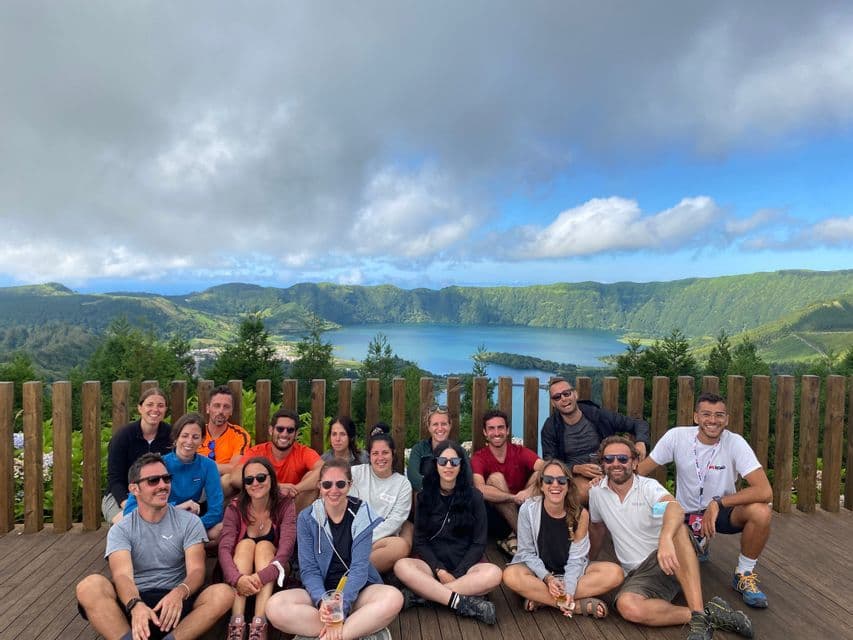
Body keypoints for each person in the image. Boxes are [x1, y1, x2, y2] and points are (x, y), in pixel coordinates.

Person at [588, 436, 753, 640]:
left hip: (672, 559)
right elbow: (597, 529)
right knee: (628, 606)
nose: (616, 464)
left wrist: (665, 539)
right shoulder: (596, 493)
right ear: (602, 463)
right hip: (640, 573)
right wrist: (588, 563)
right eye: (609, 459)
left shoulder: (647, 487)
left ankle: (698, 613)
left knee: (678, 530)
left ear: (635, 462)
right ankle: (707, 615)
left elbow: (674, 508)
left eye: (622, 458)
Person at [76, 453, 234, 640]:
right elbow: (122, 576)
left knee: (223, 593)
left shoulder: (190, 522)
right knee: (89, 586)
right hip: (134, 601)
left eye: (166, 479)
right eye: (153, 481)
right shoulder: (121, 529)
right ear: (134, 489)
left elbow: (197, 571)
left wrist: (179, 592)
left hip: (176, 602)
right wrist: (135, 604)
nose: (162, 485)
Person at [637, 392, 773, 608]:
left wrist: (718, 503)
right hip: (684, 514)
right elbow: (641, 471)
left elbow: (765, 491)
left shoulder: (735, 442)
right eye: (706, 414)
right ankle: (698, 541)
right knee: (670, 570)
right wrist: (608, 478)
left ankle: (744, 574)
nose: (713, 420)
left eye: (719, 415)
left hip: (720, 513)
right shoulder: (677, 437)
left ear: (726, 419)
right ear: (696, 417)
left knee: (761, 511)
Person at [266, 459, 403, 640]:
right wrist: (323, 603)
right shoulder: (307, 518)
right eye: (327, 484)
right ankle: (354, 628)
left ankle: (331, 634)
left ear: (349, 485)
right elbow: (309, 570)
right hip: (322, 593)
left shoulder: (362, 513)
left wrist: (340, 609)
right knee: (274, 607)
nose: (333, 490)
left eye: (340, 484)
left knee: (393, 598)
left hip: (358, 592)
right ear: (319, 486)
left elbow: (359, 569)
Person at [394, 440, 502, 625]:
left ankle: (426, 596)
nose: (448, 466)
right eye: (443, 461)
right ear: (435, 464)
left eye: (454, 461)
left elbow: (479, 542)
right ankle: (461, 601)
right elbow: (420, 540)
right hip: (432, 564)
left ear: (461, 465)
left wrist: (459, 572)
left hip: (466, 564)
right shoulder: (424, 496)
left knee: (494, 574)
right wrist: (439, 570)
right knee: (401, 566)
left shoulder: (475, 497)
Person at [503, 459, 623, 617]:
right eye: (548, 480)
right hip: (538, 574)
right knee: (511, 575)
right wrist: (548, 578)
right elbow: (526, 552)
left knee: (615, 573)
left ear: (568, 485)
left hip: (573, 574)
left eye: (561, 480)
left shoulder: (581, 514)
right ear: (541, 485)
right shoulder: (528, 509)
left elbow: (576, 559)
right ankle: (574, 606)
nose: (555, 485)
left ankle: (543, 599)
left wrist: (570, 588)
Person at [219, 456, 297, 640]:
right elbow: (224, 549)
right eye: (249, 480)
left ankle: (259, 625)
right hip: (240, 575)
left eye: (261, 477)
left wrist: (260, 577)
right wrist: (237, 579)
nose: (255, 483)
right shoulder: (235, 507)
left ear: (271, 478)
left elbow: (285, 550)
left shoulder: (285, 504)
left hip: (275, 571)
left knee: (263, 546)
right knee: (245, 544)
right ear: (245, 485)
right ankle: (237, 623)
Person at [541, 377, 651, 503]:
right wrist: (576, 468)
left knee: (638, 475)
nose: (563, 399)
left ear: (575, 394)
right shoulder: (550, 427)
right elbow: (550, 462)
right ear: (553, 403)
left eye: (567, 393)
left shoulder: (596, 415)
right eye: (557, 397)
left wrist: (641, 442)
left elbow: (639, 424)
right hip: (576, 475)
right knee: (587, 491)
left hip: (608, 466)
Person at [123, 412, 224, 543]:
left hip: (188, 523)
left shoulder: (208, 465)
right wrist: (176, 508)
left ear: (203, 440)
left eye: (195, 437)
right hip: (158, 521)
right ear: (176, 437)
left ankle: (183, 542)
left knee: (220, 529)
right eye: (184, 436)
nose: (189, 441)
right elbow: (129, 510)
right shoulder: (159, 464)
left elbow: (216, 511)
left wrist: (191, 527)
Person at [471, 409, 544, 556]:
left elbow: (548, 468)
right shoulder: (479, 458)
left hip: (525, 507)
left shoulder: (519, 451)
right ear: (485, 432)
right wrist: (513, 497)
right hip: (498, 514)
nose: (496, 433)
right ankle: (525, 538)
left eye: (500, 427)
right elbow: (479, 488)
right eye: (491, 428)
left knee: (540, 474)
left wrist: (527, 493)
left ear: (507, 430)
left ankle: (517, 538)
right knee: (495, 478)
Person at [102, 388, 172, 524]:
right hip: (120, 495)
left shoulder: (171, 436)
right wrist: (129, 506)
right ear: (140, 408)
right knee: (128, 522)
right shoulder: (123, 437)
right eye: (150, 404)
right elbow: (115, 479)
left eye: (160, 405)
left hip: (157, 493)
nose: (155, 409)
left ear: (165, 409)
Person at [233, 408, 323, 512]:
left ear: (296, 433)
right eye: (280, 429)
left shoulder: (304, 452)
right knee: (228, 481)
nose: (284, 434)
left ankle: (293, 521)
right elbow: (235, 477)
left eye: (290, 430)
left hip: (292, 504)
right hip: (262, 503)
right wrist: (277, 487)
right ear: (271, 430)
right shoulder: (257, 451)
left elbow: (324, 470)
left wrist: (296, 489)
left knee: (313, 482)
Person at [349, 431, 414, 573]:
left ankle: (349, 573)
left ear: (393, 454)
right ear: (369, 456)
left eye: (385, 452)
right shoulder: (355, 473)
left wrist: (363, 539)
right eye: (375, 453)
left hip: (379, 542)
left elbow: (395, 521)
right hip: (349, 537)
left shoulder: (402, 484)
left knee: (400, 546)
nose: (380, 458)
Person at [198, 385, 252, 494]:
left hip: (223, 487)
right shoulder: (196, 432)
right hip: (195, 480)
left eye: (226, 407)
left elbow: (236, 468)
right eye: (217, 406)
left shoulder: (240, 435)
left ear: (231, 411)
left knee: (226, 480)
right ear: (208, 408)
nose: (221, 411)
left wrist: (205, 467)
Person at [406, 404, 470, 492]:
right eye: (435, 424)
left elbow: (467, 477)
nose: (440, 428)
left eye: (444, 424)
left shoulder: (460, 451)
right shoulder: (419, 449)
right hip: (427, 496)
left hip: (455, 498)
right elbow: (413, 477)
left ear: (450, 425)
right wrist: (439, 491)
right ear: (429, 427)